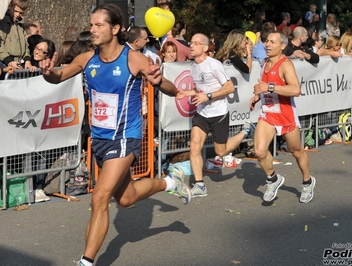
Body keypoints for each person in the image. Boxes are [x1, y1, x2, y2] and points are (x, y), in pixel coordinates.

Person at [38, 4, 191, 265]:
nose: (92, 29)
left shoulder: (133, 58)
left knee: (99, 197)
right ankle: (171, 181)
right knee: (126, 197)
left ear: (116, 28)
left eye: (99, 25)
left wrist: (159, 81)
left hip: (125, 137)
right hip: (99, 139)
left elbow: (168, 87)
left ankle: (86, 261)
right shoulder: (87, 58)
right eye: (91, 24)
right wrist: (48, 72)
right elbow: (59, 75)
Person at [179, 33, 255, 198]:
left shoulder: (214, 65)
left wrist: (208, 96)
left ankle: (245, 132)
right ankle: (199, 185)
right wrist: (187, 92)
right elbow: (201, 90)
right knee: (194, 145)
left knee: (220, 152)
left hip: (219, 113)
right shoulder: (193, 67)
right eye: (190, 42)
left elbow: (229, 88)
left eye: (196, 43)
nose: (191, 45)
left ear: (205, 48)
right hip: (202, 113)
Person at [249, 30, 315, 203]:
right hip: (268, 114)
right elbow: (264, 87)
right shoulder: (264, 63)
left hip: (286, 116)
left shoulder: (286, 65)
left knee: (296, 152)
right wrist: (258, 96)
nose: (267, 44)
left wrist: (269, 88)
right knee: (259, 151)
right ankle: (272, 179)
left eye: (272, 42)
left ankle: (307, 181)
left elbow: (295, 90)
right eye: (266, 41)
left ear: (283, 46)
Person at [0, 0, 33, 71]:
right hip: (6, 65)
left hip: (19, 64)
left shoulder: (20, 24)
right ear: (9, 7)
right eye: (15, 11)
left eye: (21, 13)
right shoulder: (3, 22)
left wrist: (27, 60)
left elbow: (25, 44)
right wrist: (8, 61)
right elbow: (0, 45)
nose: (18, 14)